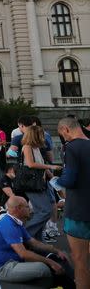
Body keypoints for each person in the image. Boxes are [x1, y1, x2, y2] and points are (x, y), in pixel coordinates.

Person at [0, 195, 73, 286]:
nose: (30, 209)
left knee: (55, 257)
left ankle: (71, 283)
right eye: (27, 207)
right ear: (19, 208)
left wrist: (57, 251)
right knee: (43, 268)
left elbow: (33, 242)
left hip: (11, 261)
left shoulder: (15, 221)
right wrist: (51, 263)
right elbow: (23, 253)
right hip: (3, 268)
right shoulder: (8, 225)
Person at [56, 116, 90, 288]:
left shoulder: (71, 148)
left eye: (62, 134)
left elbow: (69, 180)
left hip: (78, 210)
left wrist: (57, 181)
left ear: (66, 130)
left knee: (80, 261)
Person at [19, 124, 60, 241]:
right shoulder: (27, 147)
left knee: (40, 211)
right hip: (32, 184)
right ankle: (26, 235)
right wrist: (50, 166)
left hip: (39, 183)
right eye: (41, 134)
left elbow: (40, 166)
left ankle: (37, 240)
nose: (43, 137)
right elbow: (31, 164)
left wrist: (51, 177)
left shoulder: (35, 148)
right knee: (45, 211)